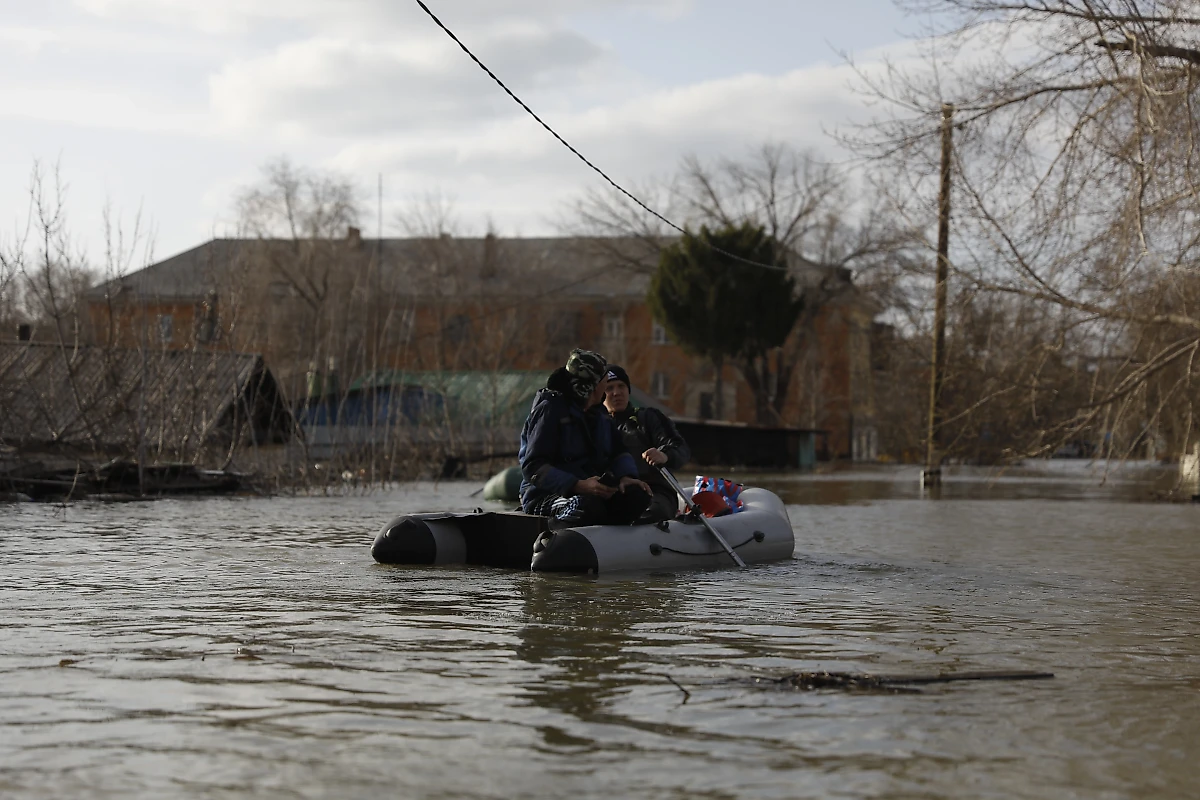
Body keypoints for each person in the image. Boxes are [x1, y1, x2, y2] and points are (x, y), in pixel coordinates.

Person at [519, 349, 652, 528]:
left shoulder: (600, 413)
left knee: (637, 495)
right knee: (585, 506)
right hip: (548, 495)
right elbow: (533, 467)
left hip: (593, 490)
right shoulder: (550, 410)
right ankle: (554, 542)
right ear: (591, 386)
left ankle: (612, 542)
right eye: (604, 383)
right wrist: (577, 485)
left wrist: (625, 477)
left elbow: (618, 451)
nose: (607, 389)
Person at [603, 364, 692, 522]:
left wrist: (664, 455)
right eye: (609, 388)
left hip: (655, 491)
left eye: (621, 386)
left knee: (651, 514)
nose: (616, 393)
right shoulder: (594, 426)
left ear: (628, 390)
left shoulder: (648, 418)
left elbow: (681, 448)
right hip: (614, 492)